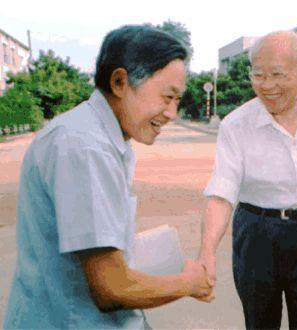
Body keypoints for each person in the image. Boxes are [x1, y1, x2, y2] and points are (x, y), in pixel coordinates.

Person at [3, 25, 213, 329]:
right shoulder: (85, 147)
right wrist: (188, 283)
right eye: (167, 97)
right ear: (119, 82)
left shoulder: (100, 137)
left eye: (177, 100)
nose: (171, 113)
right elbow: (111, 288)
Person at [199, 30, 297, 329]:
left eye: (277, 74)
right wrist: (206, 250)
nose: (267, 86)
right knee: (260, 322)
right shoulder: (237, 124)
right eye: (258, 75)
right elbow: (222, 192)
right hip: (257, 233)